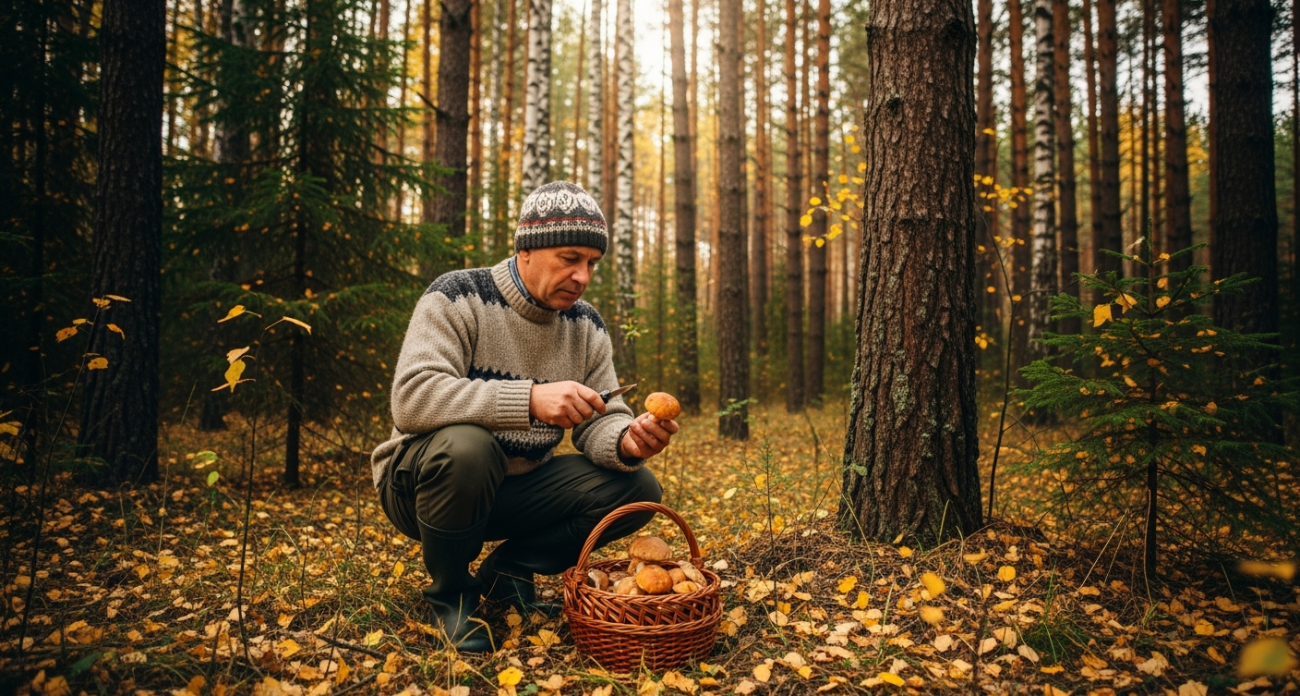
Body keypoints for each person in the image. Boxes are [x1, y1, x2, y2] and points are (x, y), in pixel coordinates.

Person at [371, 181, 679, 652]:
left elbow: (602, 418)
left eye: (591, 264)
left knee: (639, 488)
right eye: (569, 258)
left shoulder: (586, 325)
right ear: (526, 250)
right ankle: (451, 594)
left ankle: (511, 571)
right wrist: (530, 399)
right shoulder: (457, 296)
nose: (582, 276)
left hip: (511, 490)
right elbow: (412, 399)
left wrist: (626, 440)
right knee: (470, 446)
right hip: (420, 485)